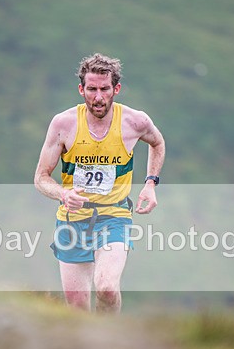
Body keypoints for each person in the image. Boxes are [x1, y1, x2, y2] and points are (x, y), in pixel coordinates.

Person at [34, 53, 166, 312]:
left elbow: (158, 143)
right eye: (91, 89)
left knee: (106, 287)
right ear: (81, 89)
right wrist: (63, 194)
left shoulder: (135, 121)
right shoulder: (63, 124)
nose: (98, 97)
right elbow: (40, 178)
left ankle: (110, 344)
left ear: (115, 89)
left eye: (105, 89)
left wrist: (150, 183)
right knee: (77, 309)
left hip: (114, 216)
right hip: (72, 220)